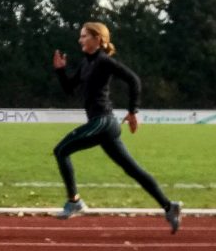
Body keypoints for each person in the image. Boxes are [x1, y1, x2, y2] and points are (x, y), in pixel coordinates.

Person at [51, 21, 182, 233]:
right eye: (81, 36)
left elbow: (134, 80)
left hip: (103, 121)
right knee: (132, 169)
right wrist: (60, 70)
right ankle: (169, 206)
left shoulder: (104, 62)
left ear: (98, 39)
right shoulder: (86, 63)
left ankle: (74, 201)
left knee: (61, 150)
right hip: (104, 126)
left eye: (84, 36)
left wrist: (132, 112)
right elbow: (69, 88)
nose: (80, 39)